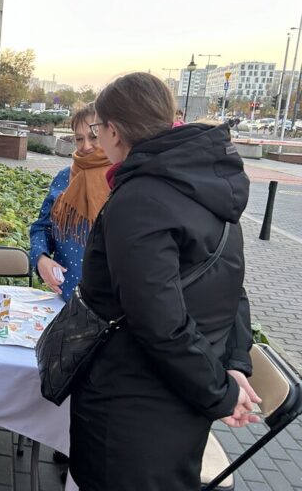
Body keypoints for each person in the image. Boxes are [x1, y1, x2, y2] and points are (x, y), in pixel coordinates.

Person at [71, 72, 260, 491]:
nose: (96, 138)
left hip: (134, 409)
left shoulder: (139, 199)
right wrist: (232, 365)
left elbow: (158, 322)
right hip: (179, 397)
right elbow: (231, 286)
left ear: (114, 131)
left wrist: (221, 390)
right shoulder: (205, 181)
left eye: (97, 129)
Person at [29, 105, 111, 300]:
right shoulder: (64, 177)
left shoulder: (121, 180)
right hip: (67, 299)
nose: (86, 146)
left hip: (112, 307)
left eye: (93, 137)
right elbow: (42, 227)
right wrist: (41, 259)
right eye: (79, 138)